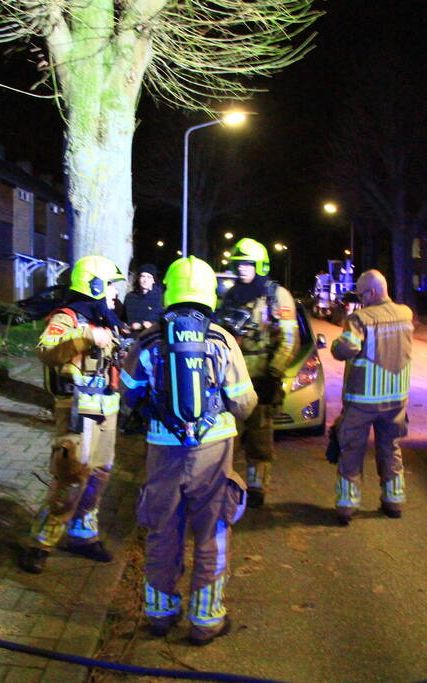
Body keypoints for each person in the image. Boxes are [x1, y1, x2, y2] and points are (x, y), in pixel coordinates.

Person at [119, 256, 257, 645]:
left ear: (169, 291)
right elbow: (245, 402)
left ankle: (160, 615)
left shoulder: (149, 341)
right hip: (213, 452)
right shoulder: (222, 339)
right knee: (212, 531)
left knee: (163, 530)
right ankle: (206, 619)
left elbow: (128, 394)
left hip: (163, 450)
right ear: (209, 293)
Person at [19, 255, 126, 574]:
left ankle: (82, 536)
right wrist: (85, 337)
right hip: (78, 410)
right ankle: (40, 542)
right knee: (71, 478)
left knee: (99, 475)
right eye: (109, 288)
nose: (114, 295)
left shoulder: (106, 319)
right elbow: (46, 349)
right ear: (93, 287)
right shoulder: (68, 318)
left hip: (107, 410)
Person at [216, 237, 299, 508]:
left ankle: (256, 488)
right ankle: (222, 483)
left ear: (260, 266)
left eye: (248, 264)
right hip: (232, 377)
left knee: (260, 438)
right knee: (228, 435)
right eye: (239, 263)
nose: (242, 269)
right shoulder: (228, 296)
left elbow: (289, 340)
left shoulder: (276, 296)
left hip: (262, 377)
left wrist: (274, 373)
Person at [329, 269, 413, 521]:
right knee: (390, 447)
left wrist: (335, 345)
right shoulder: (406, 314)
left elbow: (346, 348)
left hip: (363, 400)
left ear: (373, 292)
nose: (360, 299)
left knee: (352, 449)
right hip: (396, 400)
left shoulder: (360, 318)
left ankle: (347, 506)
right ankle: (393, 501)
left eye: (362, 293)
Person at [123, 263, 163, 331]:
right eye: (142, 276)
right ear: (138, 278)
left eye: (149, 277)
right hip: (132, 335)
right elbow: (124, 318)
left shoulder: (159, 298)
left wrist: (149, 324)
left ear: (153, 280)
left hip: (152, 335)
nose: (145, 280)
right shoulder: (130, 297)